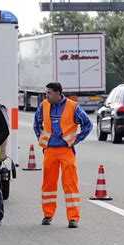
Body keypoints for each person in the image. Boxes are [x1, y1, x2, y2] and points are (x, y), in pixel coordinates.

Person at [33, 82, 92, 228]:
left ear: (58, 93)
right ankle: (48, 215)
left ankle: (73, 218)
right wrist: (42, 140)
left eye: (49, 93)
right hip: (50, 151)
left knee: (70, 184)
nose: (46, 95)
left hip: (66, 150)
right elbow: (37, 124)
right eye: (46, 92)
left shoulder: (73, 107)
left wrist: (76, 140)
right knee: (48, 185)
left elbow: (88, 125)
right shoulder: (44, 105)